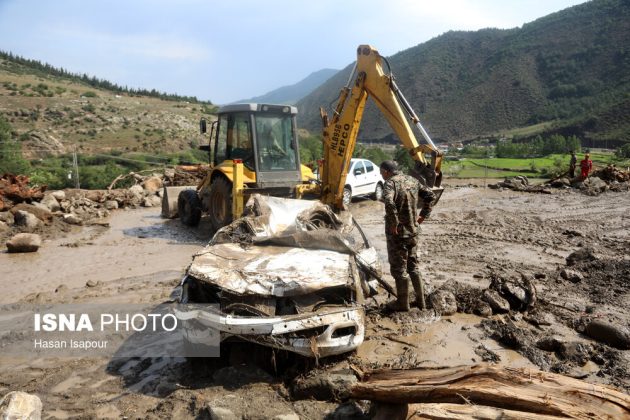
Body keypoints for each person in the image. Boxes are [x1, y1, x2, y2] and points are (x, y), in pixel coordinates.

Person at [380, 160, 436, 312]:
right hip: (414, 232)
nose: (381, 175)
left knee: (399, 269)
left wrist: (394, 223)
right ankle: (421, 302)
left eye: (381, 172)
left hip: (398, 235)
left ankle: (402, 305)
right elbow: (431, 195)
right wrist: (423, 216)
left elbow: (389, 202)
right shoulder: (413, 180)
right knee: (413, 266)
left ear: (386, 171)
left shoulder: (390, 183)